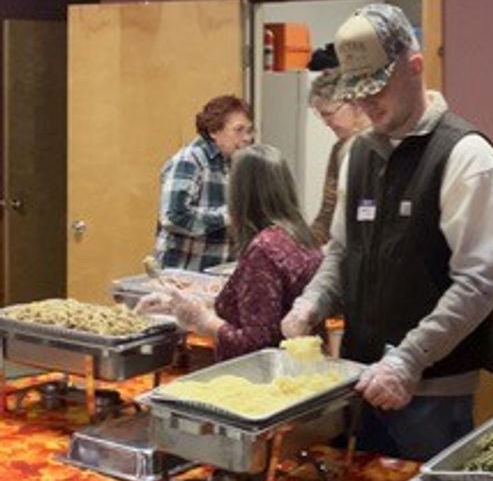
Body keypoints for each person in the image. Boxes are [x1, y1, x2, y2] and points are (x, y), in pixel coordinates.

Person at [281, 3, 493, 461]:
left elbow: (478, 283)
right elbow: (342, 251)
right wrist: (312, 301)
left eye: (376, 88)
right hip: (360, 376)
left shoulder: (467, 157)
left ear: (415, 66)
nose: (365, 104)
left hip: (434, 392)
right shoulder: (358, 153)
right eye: (356, 92)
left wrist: (409, 359)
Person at [140, 144, 323, 361]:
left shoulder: (264, 249)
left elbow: (255, 344)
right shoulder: (300, 235)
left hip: (265, 379)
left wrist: (203, 321)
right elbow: (260, 308)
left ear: (240, 193)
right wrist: (183, 303)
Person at [154, 94, 254, 271]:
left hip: (218, 273)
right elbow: (173, 217)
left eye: (249, 130)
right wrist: (229, 216)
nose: (247, 138)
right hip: (184, 275)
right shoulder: (189, 160)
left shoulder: (237, 162)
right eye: (239, 130)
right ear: (214, 131)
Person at [307, 69, 370, 245]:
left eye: (329, 113)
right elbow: (328, 213)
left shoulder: (382, 145)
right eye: (321, 116)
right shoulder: (338, 150)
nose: (326, 123)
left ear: (355, 104)